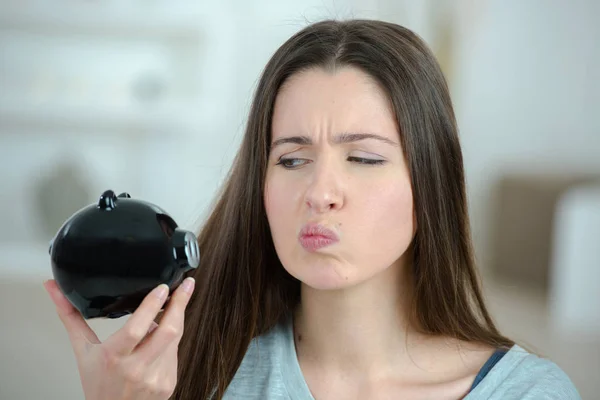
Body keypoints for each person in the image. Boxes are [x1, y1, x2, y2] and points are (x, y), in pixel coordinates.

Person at [43, 19, 581, 400]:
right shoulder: (190, 375)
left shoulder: (530, 392)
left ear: (430, 184)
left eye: (364, 158)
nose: (321, 191)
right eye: (293, 159)